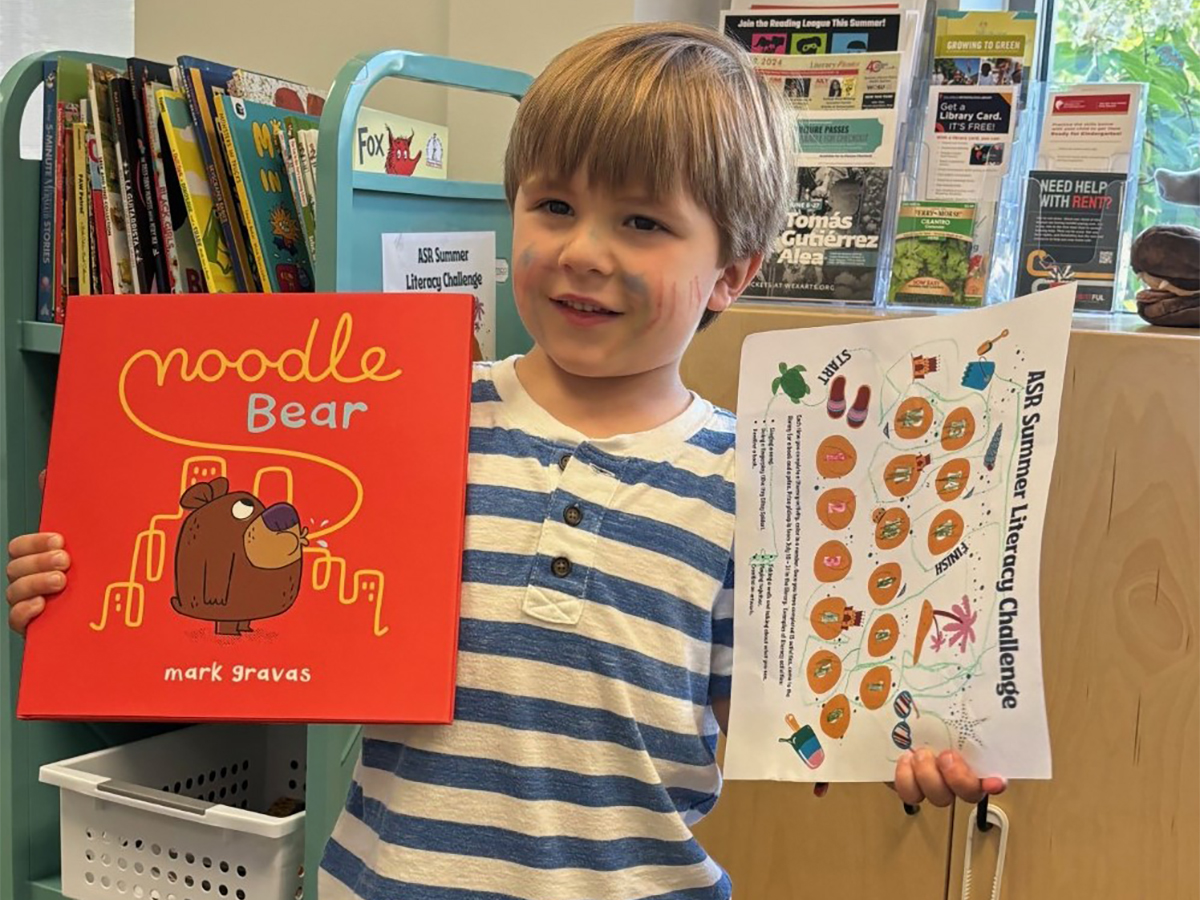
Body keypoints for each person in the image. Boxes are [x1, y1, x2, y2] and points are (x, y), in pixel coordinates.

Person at [6, 23, 1005, 899]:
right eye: (554, 207)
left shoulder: (762, 488)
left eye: (643, 223)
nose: (582, 252)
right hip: (383, 882)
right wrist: (87, 588)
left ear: (731, 274)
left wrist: (898, 739)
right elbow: (267, 606)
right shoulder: (410, 414)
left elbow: (789, 718)